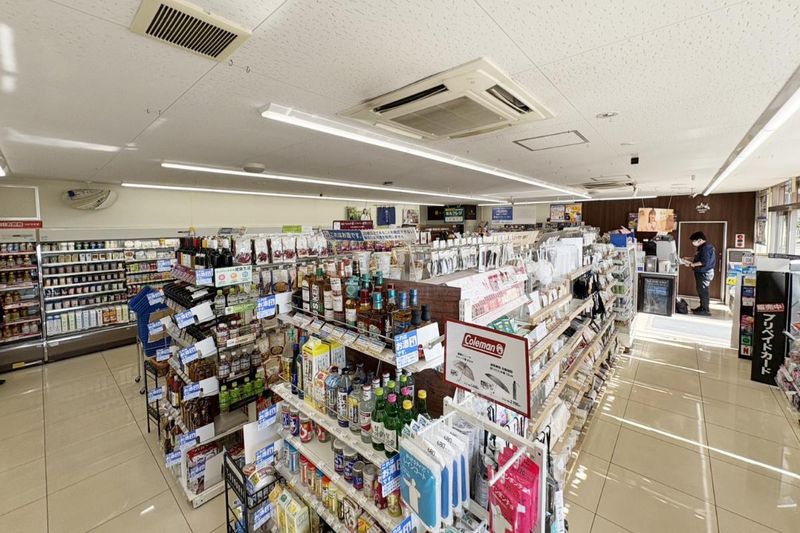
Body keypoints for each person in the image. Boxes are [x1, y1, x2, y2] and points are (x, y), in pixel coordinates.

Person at [681, 231, 716, 315]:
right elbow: (699, 258)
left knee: (703, 291)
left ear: (700, 240)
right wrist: (688, 258)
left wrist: (691, 264)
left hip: (704, 273)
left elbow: (703, 262)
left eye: (694, 240)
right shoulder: (703, 247)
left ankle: (705, 310)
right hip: (702, 272)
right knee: (701, 290)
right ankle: (702, 307)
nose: (693, 242)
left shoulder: (705, 248)